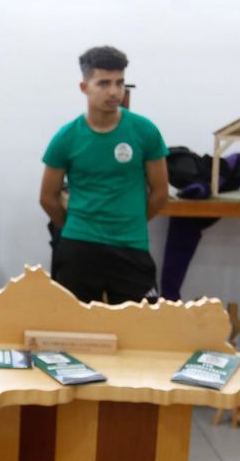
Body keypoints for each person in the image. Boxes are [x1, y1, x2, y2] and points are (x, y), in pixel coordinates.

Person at [39, 45, 169, 304]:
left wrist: (130, 221)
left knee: (142, 331)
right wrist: (76, 225)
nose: (114, 92)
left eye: (120, 83)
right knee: (72, 333)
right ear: (84, 87)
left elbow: (160, 193)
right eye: (104, 83)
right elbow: (48, 197)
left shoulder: (145, 132)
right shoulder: (66, 138)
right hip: (79, 246)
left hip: (131, 246)